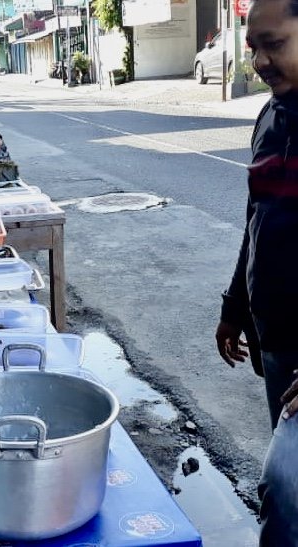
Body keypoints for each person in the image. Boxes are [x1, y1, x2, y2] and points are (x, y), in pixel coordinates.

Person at [214, 0, 298, 543]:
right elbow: (257, 220)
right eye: (254, 49)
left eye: (275, 44)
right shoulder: (271, 115)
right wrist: (233, 308)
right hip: (277, 336)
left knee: (286, 491)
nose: (261, 61)